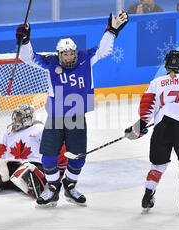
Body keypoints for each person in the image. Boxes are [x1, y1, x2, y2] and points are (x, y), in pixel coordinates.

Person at [15, 10, 128, 208]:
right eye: (65, 54)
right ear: (59, 55)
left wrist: (111, 31)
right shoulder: (50, 62)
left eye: (71, 53)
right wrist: (25, 42)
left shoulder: (85, 59)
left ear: (76, 53)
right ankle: (52, 188)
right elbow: (29, 58)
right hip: (56, 117)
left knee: (78, 156)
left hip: (77, 116)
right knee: (48, 156)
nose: (69, 57)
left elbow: (103, 51)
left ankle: (69, 185)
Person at [125, 50, 179, 213]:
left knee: (157, 165)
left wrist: (141, 126)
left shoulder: (156, 82)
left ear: (166, 64)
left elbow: (146, 110)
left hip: (161, 127)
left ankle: (148, 194)